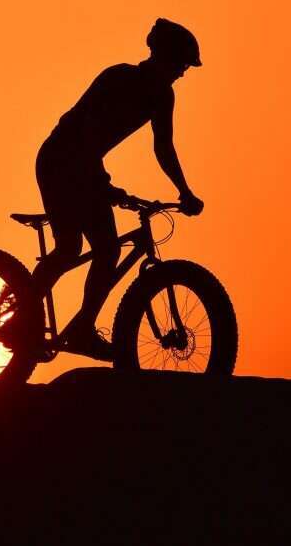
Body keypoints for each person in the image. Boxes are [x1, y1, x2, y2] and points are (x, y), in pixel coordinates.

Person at [28, 18, 205, 360]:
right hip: (59, 160)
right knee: (69, 248)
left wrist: (185, 191)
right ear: (163, 56)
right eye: (181, 64)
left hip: (86, 167)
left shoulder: (162, 96)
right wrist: (103, 183)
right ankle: (26, 319)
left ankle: (82, 329)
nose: (182, 73)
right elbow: (86, 134)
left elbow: (163, 146)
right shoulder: (119, 78)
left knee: (108, 251)